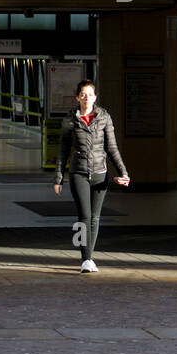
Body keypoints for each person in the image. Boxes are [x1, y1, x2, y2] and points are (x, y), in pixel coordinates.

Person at [52, 79, 130, 273]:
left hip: (100, 174)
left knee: (95, 217)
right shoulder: (70, 120)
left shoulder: (104, 117)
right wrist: (58, 178)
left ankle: (89, 257)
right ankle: (85, 258)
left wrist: (123, 172)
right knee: (84, 216)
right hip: (78, 173)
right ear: (78, 97)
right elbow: (63, 150)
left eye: (90, 94)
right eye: (83, 95)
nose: (87, 98)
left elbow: (112, 148)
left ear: (95, 97)